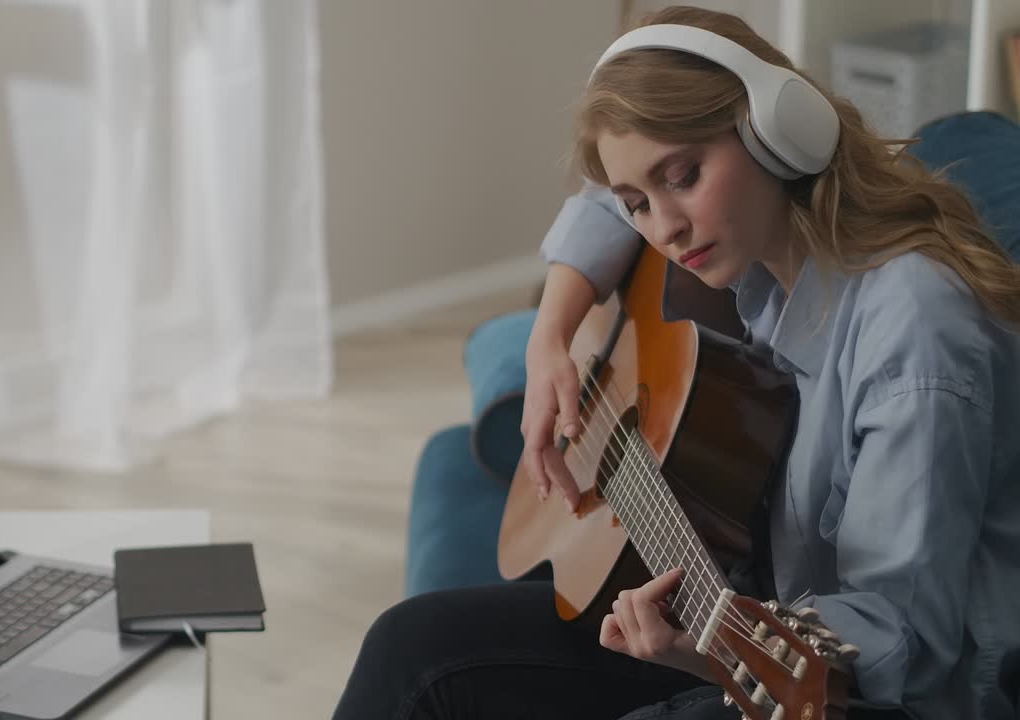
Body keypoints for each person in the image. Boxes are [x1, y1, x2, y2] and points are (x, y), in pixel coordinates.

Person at [332, 6, 1020, 719]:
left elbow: (902, 648)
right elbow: (610, 183)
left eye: (683, 177)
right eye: (640, 204)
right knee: (411, 648)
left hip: (888, 698)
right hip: (773, 625)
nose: (664, 227)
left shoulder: (914, 327)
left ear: (777, 133)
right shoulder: (763, 258)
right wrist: (549, 341)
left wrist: (705, 650)